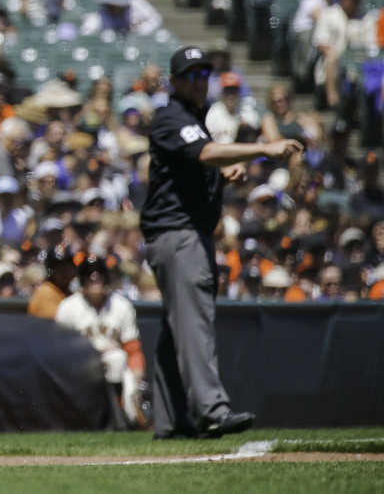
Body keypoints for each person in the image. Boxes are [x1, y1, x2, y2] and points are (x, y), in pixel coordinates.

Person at [140, 47, 304, 439]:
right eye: (191, 75)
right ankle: (211, 411)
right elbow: (206, 152)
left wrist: (219, 176)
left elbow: (195, 166)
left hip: (181, 233)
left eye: (203, 74)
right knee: (194, 322)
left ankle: (170, 420)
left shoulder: (192, 118)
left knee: (175, 328)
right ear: (175, 82)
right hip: (178, 235)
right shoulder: (172, 116)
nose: (199, 81)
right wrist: (264, 147)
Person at [55, 253, 148, 428]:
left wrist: (137, 382)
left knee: (119, 362)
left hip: (116, 369)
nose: (94, 276)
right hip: (80, 366)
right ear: (81, 278)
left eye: (98, 272)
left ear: (106, 276)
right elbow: (60, 352)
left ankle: (120, 417)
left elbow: (133, 348)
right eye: (89, 272)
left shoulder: (122, 306)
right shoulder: (68, 307)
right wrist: (93, 351)